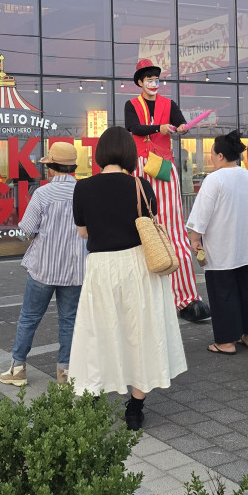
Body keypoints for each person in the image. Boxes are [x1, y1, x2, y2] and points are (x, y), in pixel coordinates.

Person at [69, 126, 188, 431]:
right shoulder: (141, 186)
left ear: (100, 153)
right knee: (140, 332)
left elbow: (83, 232)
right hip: (138, 265)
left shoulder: (83, 188)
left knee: (98, 332)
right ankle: (135, 408)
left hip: (101, 267)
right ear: (129, 153)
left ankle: (95, 395)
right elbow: (149, 224)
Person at [124, 58, 208, 323]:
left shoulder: (169, 104)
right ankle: (143, 297)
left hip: (163, 165)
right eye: (149, 79)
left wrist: (181, 128)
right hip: (141, 165)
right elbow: (133, 128)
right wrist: (158, 128)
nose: (153, 83)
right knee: (142, 227)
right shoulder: (131, 105)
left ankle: (186, 297)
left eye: (156, 79)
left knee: (173, 228)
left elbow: (180, 122)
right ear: (140, 82)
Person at [0, 142, 87, 387]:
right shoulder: (84, 192)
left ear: (51, 167)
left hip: (43, 268)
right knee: (69, 321)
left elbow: (27, 229)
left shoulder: (42, 193)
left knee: (29, 317)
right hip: (75, 269)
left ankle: (18, 369)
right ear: (73, 167)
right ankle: (65, 373)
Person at [186, 131, 248, 356]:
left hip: (221, 247)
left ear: (219, 156)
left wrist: (195, 239)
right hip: (246, 246)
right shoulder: (247, 175)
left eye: (211, 154)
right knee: (246, 292)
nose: (211, 157)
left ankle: (226, 341)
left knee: (223, 294)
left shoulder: (214, 179)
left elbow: (202, 213)